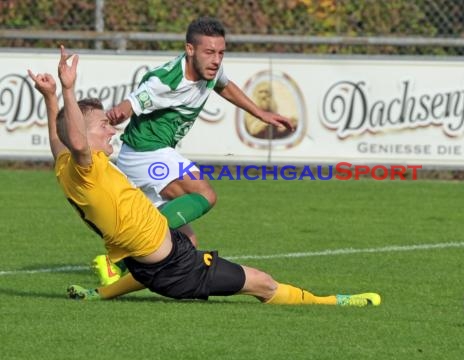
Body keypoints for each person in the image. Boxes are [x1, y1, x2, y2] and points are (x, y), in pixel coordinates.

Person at [27, 45, 380, 307]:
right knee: (263, 284)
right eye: (103, 126)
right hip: (175, 269)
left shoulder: (65, 169)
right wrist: (68, 89)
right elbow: (72, 138)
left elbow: (60, 141)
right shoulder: (86, 167)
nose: (112, 131)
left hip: (151, 256)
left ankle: (100, 292)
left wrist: (50, 98)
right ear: (84, 137)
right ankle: (331, 302)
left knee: (179, 241)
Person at [91, 16, 296, 285]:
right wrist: (119, 112)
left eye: (221, 52)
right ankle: (119, 254)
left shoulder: (210, 71)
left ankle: (116, 275)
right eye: (209, 52)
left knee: (186, 240)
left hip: (152, 155)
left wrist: (260, 113)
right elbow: (135, 100)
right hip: (146, 153)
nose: (216, 60)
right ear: (190, 50)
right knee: (204, 194)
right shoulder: (167, 80)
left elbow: (225, 85)